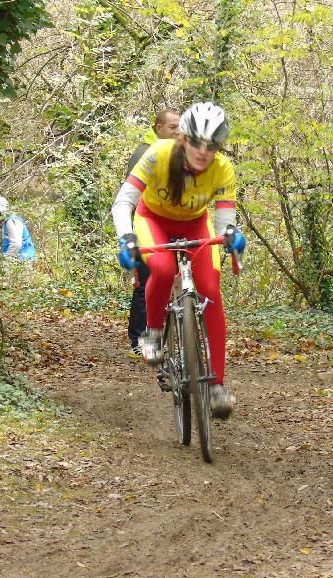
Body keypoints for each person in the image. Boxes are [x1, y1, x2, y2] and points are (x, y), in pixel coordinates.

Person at [111, 101, 246, 419]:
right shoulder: (158, 154)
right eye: (197, 142)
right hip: (153, 220)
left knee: (211, 289)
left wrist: (231, 236)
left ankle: (216, 386)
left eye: (211, 145)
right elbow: (124, 201)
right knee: (160, 267)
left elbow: (225, 221)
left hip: (195, 224)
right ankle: (154, 332)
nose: (203, 151)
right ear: (183, 139)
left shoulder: (223, 168)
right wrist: (126, 238)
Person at [125, 109, 181, 355]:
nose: (177, 131)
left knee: (177, 278)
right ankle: (139, 339)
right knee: (146, 281)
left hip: (174, 223)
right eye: (172, 127)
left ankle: (177, 333)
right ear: (159, 128)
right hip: (146, 226)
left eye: (179, 126)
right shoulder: (144, 153)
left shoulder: (179, 152)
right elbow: (133, 196)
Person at [0, 196, 36, 261]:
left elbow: (16, 244)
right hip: (19, 259)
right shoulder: (6, 222)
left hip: (23, 259)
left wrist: (6, 261)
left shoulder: (11, 221)